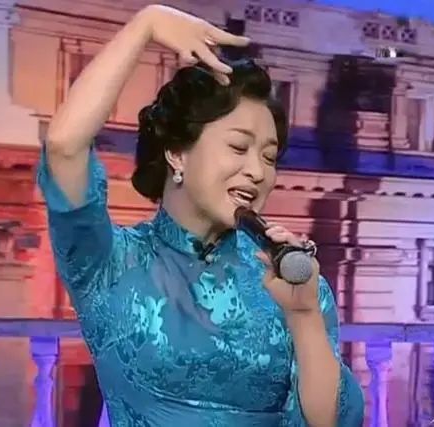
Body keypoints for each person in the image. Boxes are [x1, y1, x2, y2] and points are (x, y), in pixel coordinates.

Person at [38, 4, 365, 426]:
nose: (257, 171)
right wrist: (147, 24)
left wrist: (304, 317)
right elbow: (64, 147)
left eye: (269, 157)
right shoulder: (111, 264)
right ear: (177, 153)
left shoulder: (293, 282)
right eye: (238, 147)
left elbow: (329, 422)